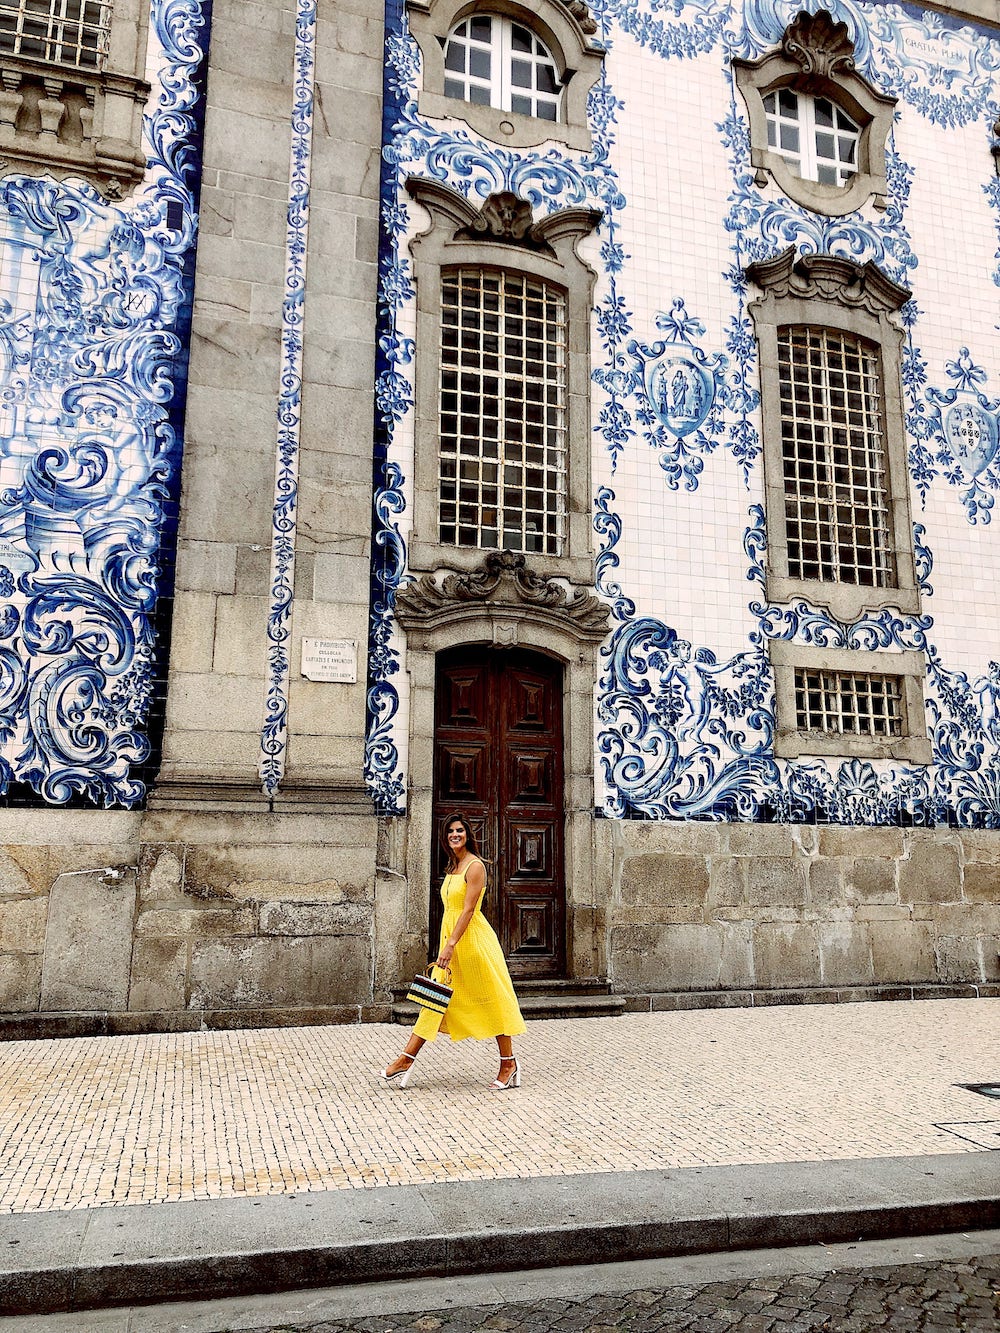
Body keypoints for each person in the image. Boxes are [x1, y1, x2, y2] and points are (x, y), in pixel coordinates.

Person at [381, 813, 525, 1090]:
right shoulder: (453, 866)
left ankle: (508, 1063)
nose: (455, 835)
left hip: (473, 944)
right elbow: (451, 911)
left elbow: (469, 910)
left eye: (459, 830)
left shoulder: (475, 867)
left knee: (492, 999)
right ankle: (406, 1059)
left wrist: (449, 946)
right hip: (453, 943)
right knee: (434, 1000)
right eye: (450, 832)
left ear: (468, 834)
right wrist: (446, 944)